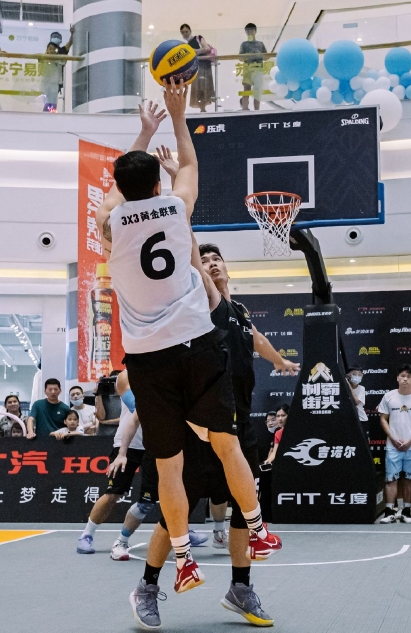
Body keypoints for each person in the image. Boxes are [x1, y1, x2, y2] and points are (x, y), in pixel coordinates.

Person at [94, 83, 277, 592]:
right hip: (196, 344)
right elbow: (191, 164)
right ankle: (258, 530)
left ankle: (183, 560)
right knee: (227, 442)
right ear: (159, 183)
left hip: (148, 358)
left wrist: (143, 132)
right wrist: (177, 116)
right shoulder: (175, 208)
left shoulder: (109, 225)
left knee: (169, 465)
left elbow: (112, 194)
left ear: (122, 187)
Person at [197, 241, 300, 550]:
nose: (213, 263)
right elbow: (195, 267)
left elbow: (258, 339)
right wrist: (183, 223)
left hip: (241, 410)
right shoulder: (206, 300)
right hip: (215, 410)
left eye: (217, 258)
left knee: (248, 483)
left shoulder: (239, 310)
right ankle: (173, 545)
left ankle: (249, 540)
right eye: (205, 260)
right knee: (197, 487)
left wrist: (279, 361)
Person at [130, 421, 273, 629]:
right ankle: (146, 587)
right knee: (175, 516)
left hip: (239, 433)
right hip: (196, 436)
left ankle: (240, 589)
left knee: (245, 511)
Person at [77, 371, 152, 558]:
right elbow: (139, 409)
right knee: (113, 494)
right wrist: (122, 453)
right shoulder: (126, 376)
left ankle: (123, 541)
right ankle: (87, 535)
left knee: (154, 499)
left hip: (154, 447)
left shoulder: (165, 374)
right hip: (127, 445)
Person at [377, 365, 411, 524]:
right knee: (391, 479)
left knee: (409, 479)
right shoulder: (388, 396)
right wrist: (392, 438)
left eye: (409, 376)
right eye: (402, 376)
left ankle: (406, 512)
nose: (405, 379)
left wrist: (410, 440)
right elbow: (383, 419)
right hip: (393, 446)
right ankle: (389, 512)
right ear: (397, 378)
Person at [180, 24, 215, 112]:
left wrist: (196, 52)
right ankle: (202, 108)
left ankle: (203, 108)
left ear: (190, 31)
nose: (185, 34)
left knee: (204, 86)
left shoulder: (198, 38)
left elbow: (207, 48)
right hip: (195, 68)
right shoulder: (186, 45)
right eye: (183, 32)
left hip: (204, 66)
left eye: (186, 31)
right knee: (198, 88)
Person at [238, 23, 267, 111]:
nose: (249, 32)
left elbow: (266, 56)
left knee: (257, 90)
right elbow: (240, 58)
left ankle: (256, 110)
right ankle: (245, 109)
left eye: (251, 30)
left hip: (258, 69)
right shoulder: (244, 44)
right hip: (248, 68)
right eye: (247, 31)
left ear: (255, 31)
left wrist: (258, 55)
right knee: (246, 89)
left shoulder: (260, 44)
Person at [39, 41, 67, 113]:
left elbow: (64, 61)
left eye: (54, 49)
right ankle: (45, 115)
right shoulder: (44, 59)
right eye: (50, 49)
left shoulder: (59, 60)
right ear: (47, 50)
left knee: (53, 102)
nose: (52, 51)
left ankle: (52, 115)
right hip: (46, 84)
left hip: (55, 84)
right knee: (46, 101)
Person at [345, 367, 369, 437]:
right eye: (354, 374)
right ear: (348, 376)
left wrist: (349, 386)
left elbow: (356, 402)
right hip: (348, 419)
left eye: (360, 374)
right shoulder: (343, 388)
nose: (357, 376)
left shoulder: (361, 388)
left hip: (361, 419)